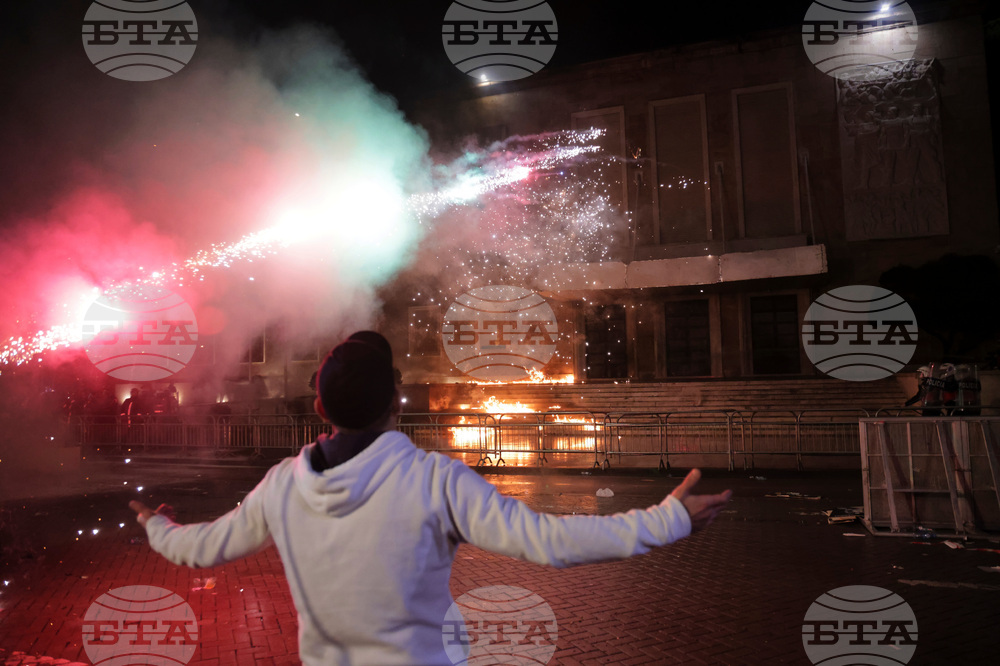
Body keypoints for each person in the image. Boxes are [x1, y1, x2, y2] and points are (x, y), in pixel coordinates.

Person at [130, 331, 732, 665]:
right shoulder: (435, 481)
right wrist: (668, 519)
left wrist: (157, 527)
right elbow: (549, 542)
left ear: (319, 408)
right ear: (398, 398)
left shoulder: (282, 484)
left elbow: (203, 548)